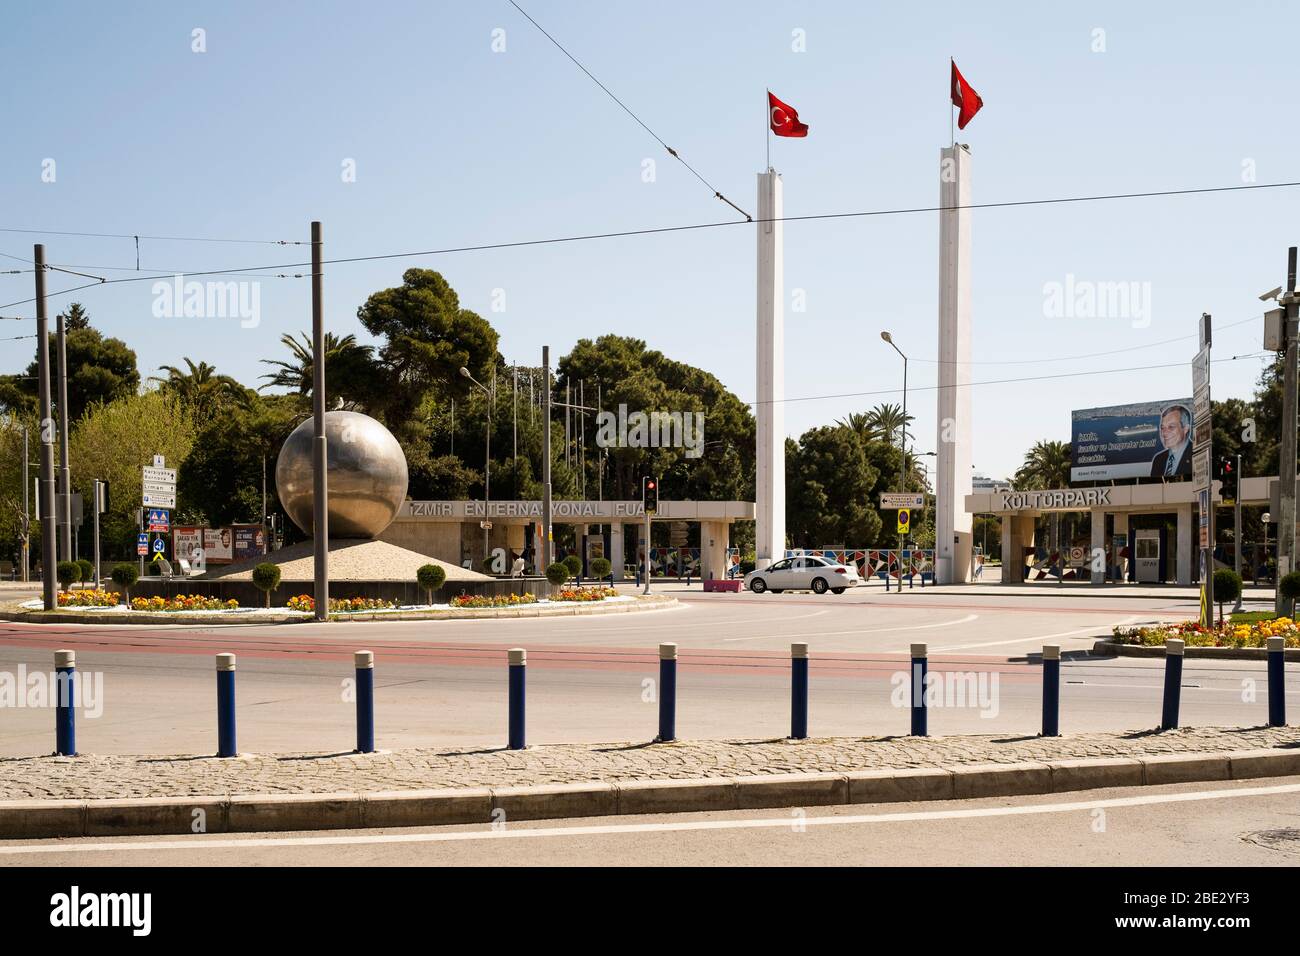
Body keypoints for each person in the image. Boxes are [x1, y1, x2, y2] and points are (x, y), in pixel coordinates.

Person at [1150, 404, 1193, 479]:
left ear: (1186, 429)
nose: (1164, 433)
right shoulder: (1158, 460)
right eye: (1162, 428)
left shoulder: (1196, 455)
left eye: (1171, 427)